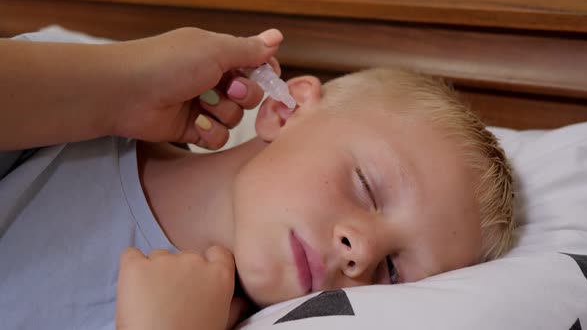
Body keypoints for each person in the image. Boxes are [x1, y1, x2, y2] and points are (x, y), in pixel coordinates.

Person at [0, 28, 514, 330]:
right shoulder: (66, 114)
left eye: (393, 271)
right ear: (287, 111)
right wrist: (120, 81)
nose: (360, 251)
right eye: (366, 186)